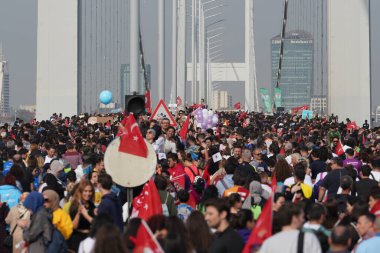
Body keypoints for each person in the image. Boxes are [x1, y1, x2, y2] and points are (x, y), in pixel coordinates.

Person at [66, 180, 96, 252]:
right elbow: (73, 226)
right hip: (77, 239)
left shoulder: (91, 205)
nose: (88, 194)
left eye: (90, 191)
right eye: (85, 191)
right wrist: (79, 213)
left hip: (89, 238)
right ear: (80, 192)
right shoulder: (74, 206)